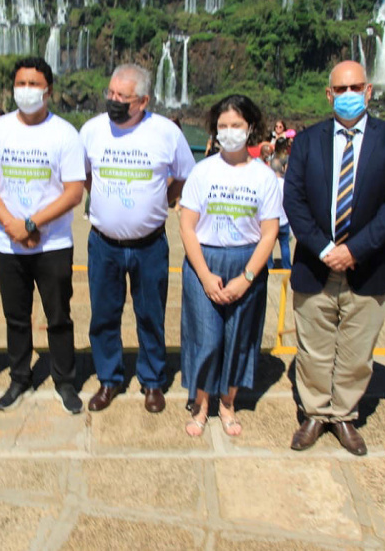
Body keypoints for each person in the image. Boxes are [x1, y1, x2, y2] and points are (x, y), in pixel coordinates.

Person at [282, 61, 385, 456]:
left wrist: (354, 250)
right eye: (341, 88)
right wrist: (325, 249)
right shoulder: (306, 143)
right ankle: (316, 412)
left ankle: (344, 415)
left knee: (357, 350)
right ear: (329, 94)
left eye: (356, 87)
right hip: (315, 262)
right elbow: (295, 201)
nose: (349, 94)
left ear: (369, 91)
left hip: (370, 264)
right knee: (314, 346)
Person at [79, 64, 196, 414]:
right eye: (111, 94)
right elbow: (84, 175)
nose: (114, 101)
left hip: (150, 246)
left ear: (144, 100)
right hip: (104, 244)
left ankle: (152, 381)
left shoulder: (166, 133)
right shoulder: (92, 130)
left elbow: (184, 176)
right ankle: (109, 379)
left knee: (150, 315)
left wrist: (160, 200)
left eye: (123, 97)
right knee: (103, 316)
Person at [0, 57, 86, 414]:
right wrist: (11, 224)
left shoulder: (64, 133)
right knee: (16, 317)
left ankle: (65, 381)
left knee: (58, 316)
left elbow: (73, 191)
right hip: (9, 243)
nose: (26, 91)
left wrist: (32, 224)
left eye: (33, 84)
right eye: (20, 84)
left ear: (48, 90)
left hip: (52, 243)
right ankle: (19, 378)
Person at [179, 94, 280, 436]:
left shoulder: (264, 177)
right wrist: (205, 276)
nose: (229, 131)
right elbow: (187, 227)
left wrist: (247, 277)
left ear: (250, 127)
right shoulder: (202, 171)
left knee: (240, 337)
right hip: (203, 260)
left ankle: (228, 401)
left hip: (246, 261)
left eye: (236, 125)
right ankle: (201, 401)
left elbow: (269, 233)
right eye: (223, 126)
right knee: (205, 338)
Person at [268, 137, 292, 270]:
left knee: (268, 244)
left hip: (271, 219)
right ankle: (287, 266)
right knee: (285, 246)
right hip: (284, 220)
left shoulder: (268, 185)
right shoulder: (286, 184)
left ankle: (269, 266)